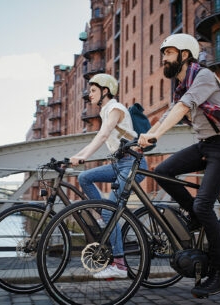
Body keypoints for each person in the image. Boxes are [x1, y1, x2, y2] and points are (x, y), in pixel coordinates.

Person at [138, 33, 220, 297]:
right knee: (162, 171)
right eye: (164, 53)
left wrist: (155, 136)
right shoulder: (181, 83)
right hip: (207, 144)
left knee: (204, 203)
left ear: (185, 55)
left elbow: (183, 108)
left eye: (169, 53)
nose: (164, 58)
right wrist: (143, 137)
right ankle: (196, 217)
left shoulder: (203, 77)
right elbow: (167, 113)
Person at [70, 73, 147, 279]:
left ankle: (120, 265)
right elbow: (101, 136)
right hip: (119, 164)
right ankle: (105, 218)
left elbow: (102, 135)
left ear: (106, 91)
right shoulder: (106, 110)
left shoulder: (115, 108)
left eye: (94, 90)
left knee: (109, 212)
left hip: (132, 165)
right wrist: (77, 156)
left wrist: (83, 156)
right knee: (84, 178)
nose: (90, 94)